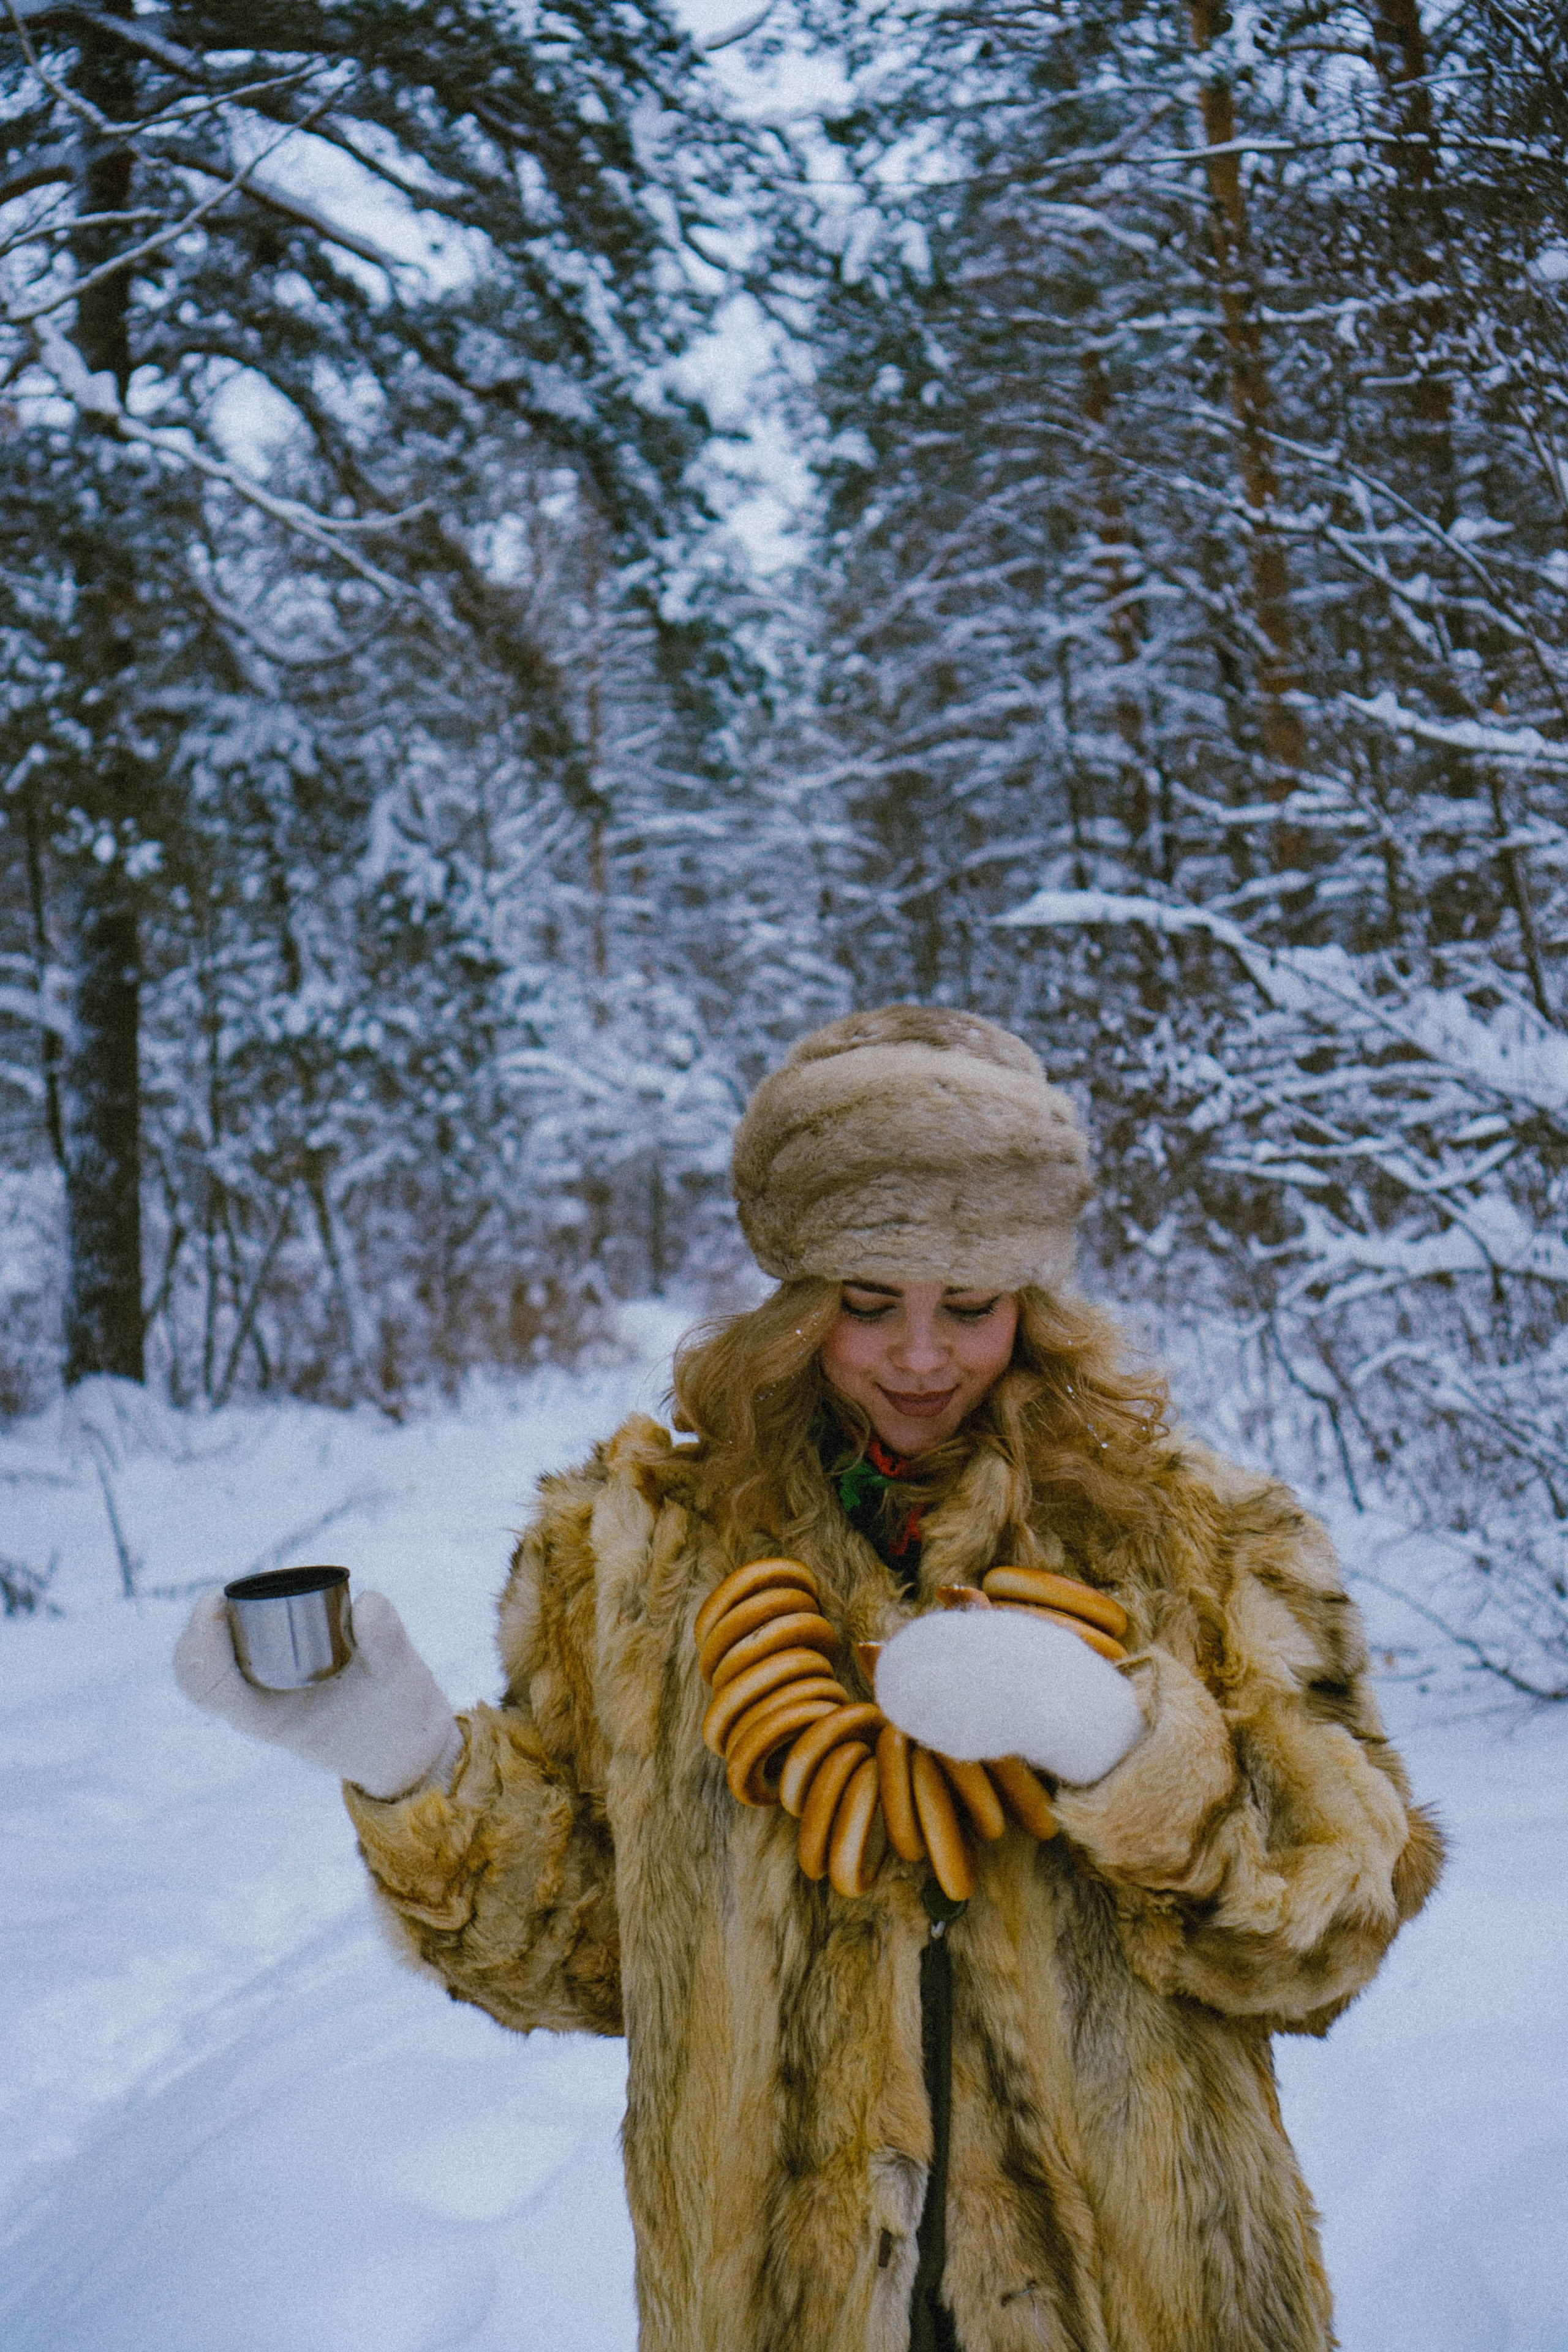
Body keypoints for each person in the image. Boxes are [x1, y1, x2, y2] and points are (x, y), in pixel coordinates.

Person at [176, 1004, 1444, 2352]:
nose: (918, 1356)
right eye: (864, 1303)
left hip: (1150, 2305)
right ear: (788, 1303)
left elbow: (1329, 1938)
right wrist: (407, 1763)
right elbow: (587, 1959)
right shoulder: (637, 1557)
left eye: (969, 1307)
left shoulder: (1191, 1538)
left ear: (1033, 1297)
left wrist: (1122, 1748)